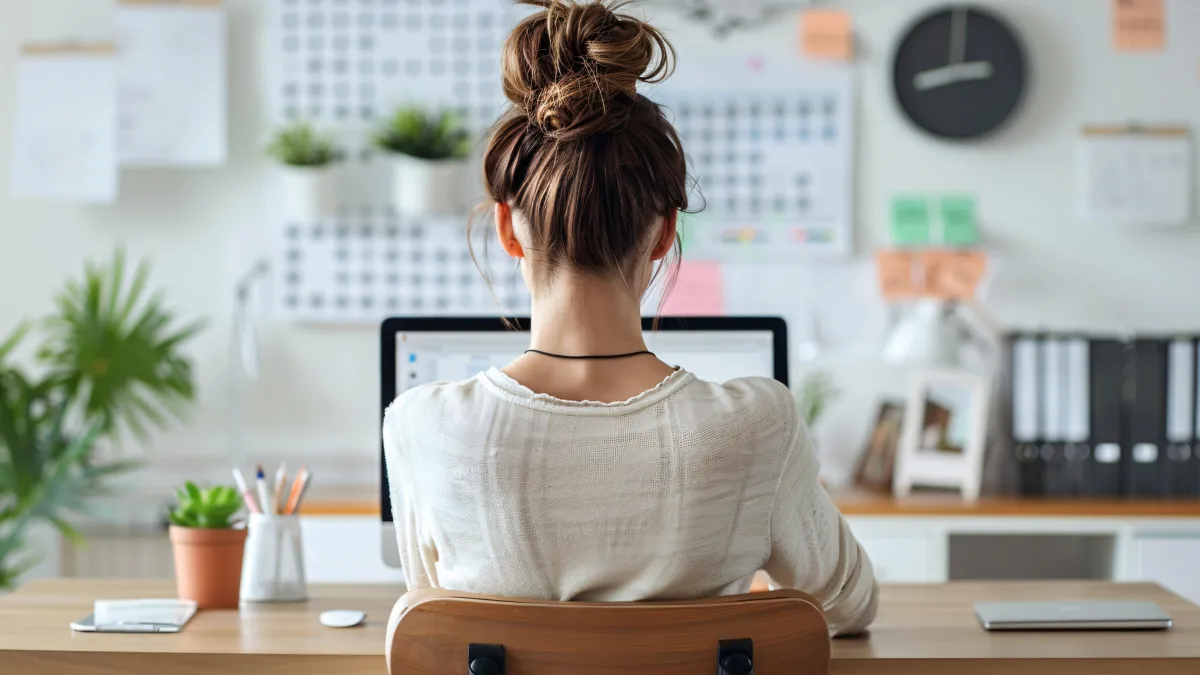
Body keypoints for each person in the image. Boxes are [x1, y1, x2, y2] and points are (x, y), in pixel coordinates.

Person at [382, 0, 877, 636]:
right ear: (665, 232)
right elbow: (848, 606)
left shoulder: (423, 427)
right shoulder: (757, 425)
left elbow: (442, 623)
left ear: (507, 227)